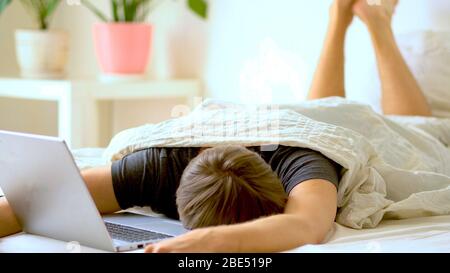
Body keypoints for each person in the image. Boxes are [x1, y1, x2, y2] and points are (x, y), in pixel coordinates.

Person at [0, 0, 432, 252]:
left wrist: (199, 246)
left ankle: (379, 29)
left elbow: (305, 227)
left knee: (409, 128)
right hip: (281, 119)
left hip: (324, 131)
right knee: (311, 108)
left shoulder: (307, 166)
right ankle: (338, 19)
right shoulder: (160, 164)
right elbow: (36, 199)